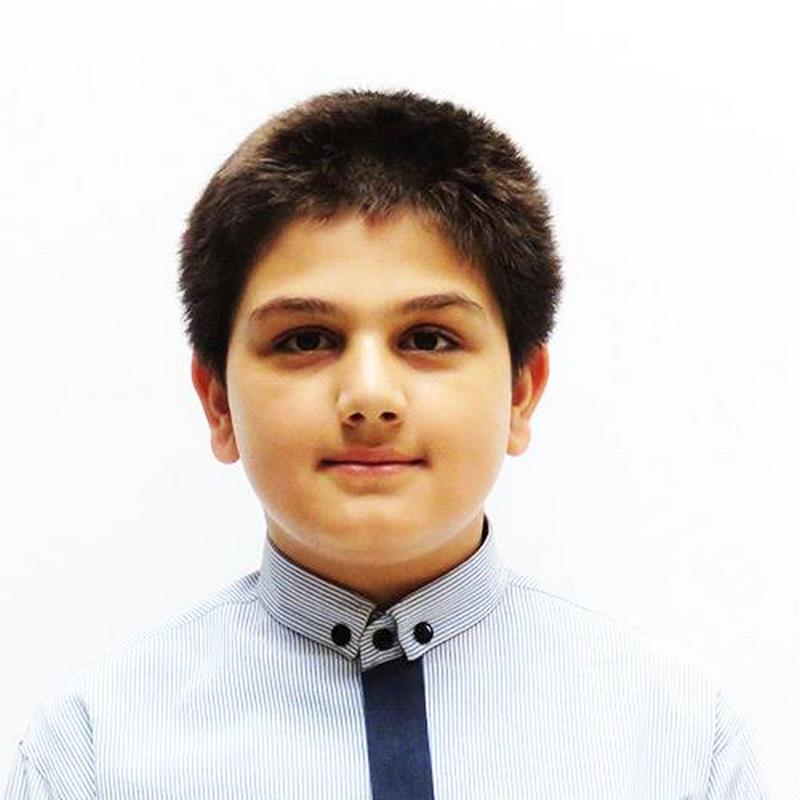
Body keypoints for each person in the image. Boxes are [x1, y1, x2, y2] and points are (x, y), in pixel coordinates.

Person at [3, 88, 769, 799]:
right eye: (306, 338)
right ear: (218, 402)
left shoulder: (678, 742)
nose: (370, 396)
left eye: (428, 338)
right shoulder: (97, 750)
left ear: (520, 391)